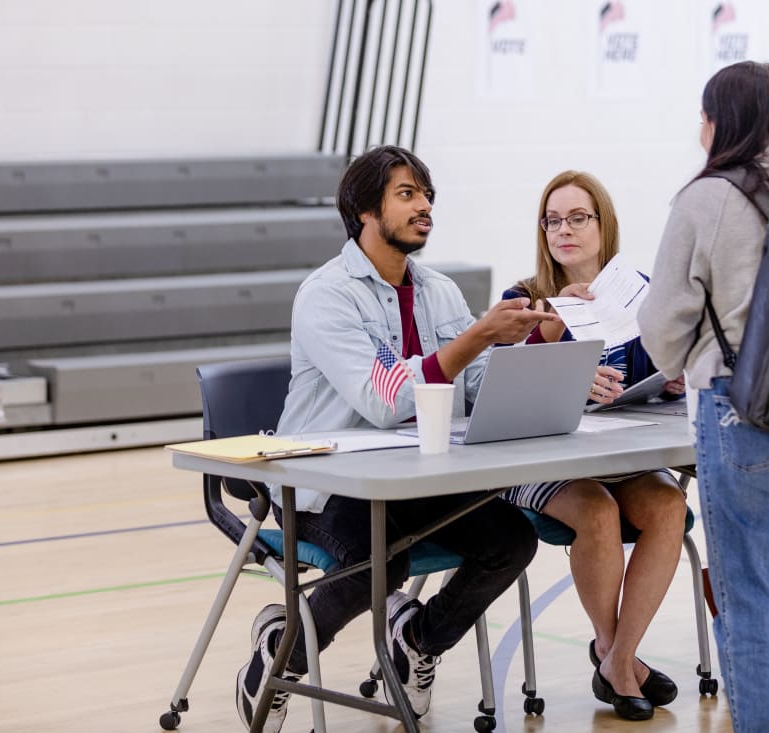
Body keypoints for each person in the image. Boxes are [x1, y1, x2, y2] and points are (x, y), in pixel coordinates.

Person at [235, 145, 554, 732]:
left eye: (426, 195)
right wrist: (479, 335)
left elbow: (477, 384)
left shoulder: (439, 291)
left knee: (511, 538)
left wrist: (540, 346)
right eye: (407, 194)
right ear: (364, 211)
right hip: (324, 484)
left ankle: (418, 638)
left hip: (419, 479)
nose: (424, 206)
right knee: (383, 560)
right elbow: (384, 400)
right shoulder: (327, 294)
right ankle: (281, 651)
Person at [637, 61, 769, 733]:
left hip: (743, 410)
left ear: (721, 119)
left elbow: (661, 323)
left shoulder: (707, 197)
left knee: (749, 598)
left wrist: (683, 364)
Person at [499, 170, 688, 721]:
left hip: (617, 454)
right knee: (599, 514)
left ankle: (616, 657)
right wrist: (558, 348)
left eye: (578, 218)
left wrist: (670, 380)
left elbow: (660, 374)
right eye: (553, 220)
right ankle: (616, 655)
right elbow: (502, 389)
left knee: (670, 504)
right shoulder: (525, 299)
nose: (565, 230)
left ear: (603, 226)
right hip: (539, 459)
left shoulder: (640, 294)